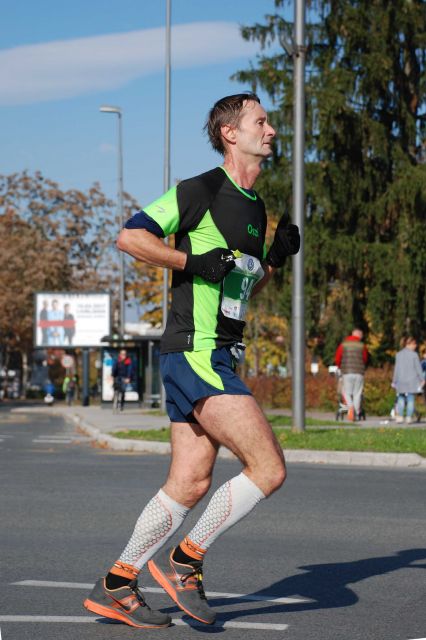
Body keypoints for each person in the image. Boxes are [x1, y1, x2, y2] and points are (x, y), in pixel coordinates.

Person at [83, 92, 300, 629]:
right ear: (232, 133)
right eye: (261, 122)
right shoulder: (201, 190)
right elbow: (130, 237)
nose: (271, 131)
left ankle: (118, 581)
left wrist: (273, 259)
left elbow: (239, 284)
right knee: (269, 468)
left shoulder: (254, 207)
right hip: (197, 352)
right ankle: (187, 561)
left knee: (190, 482)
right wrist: (189, 258)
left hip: (215, 352)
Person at [334, 328, 368, 421]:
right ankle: (356, 413)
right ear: (359, 335)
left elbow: (338, 357)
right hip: (359, 372)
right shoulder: (362, 345)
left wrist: (339, 366)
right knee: (357, 393)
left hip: (346, 372)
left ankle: (350, 408)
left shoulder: (343, 344)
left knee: (346, 392)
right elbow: (365, 358)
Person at [392, 336, 425, 424]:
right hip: (412, 380)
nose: (415, 346)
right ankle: (409, 417)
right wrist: (422, 379)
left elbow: (396, 369)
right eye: (414, 344)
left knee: (400, 398)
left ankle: (400, 417)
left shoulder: (398, 354)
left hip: (401, 381)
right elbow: (418, 368)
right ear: (409, 344)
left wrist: (394, 381)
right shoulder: (414, 355)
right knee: (410, 399)